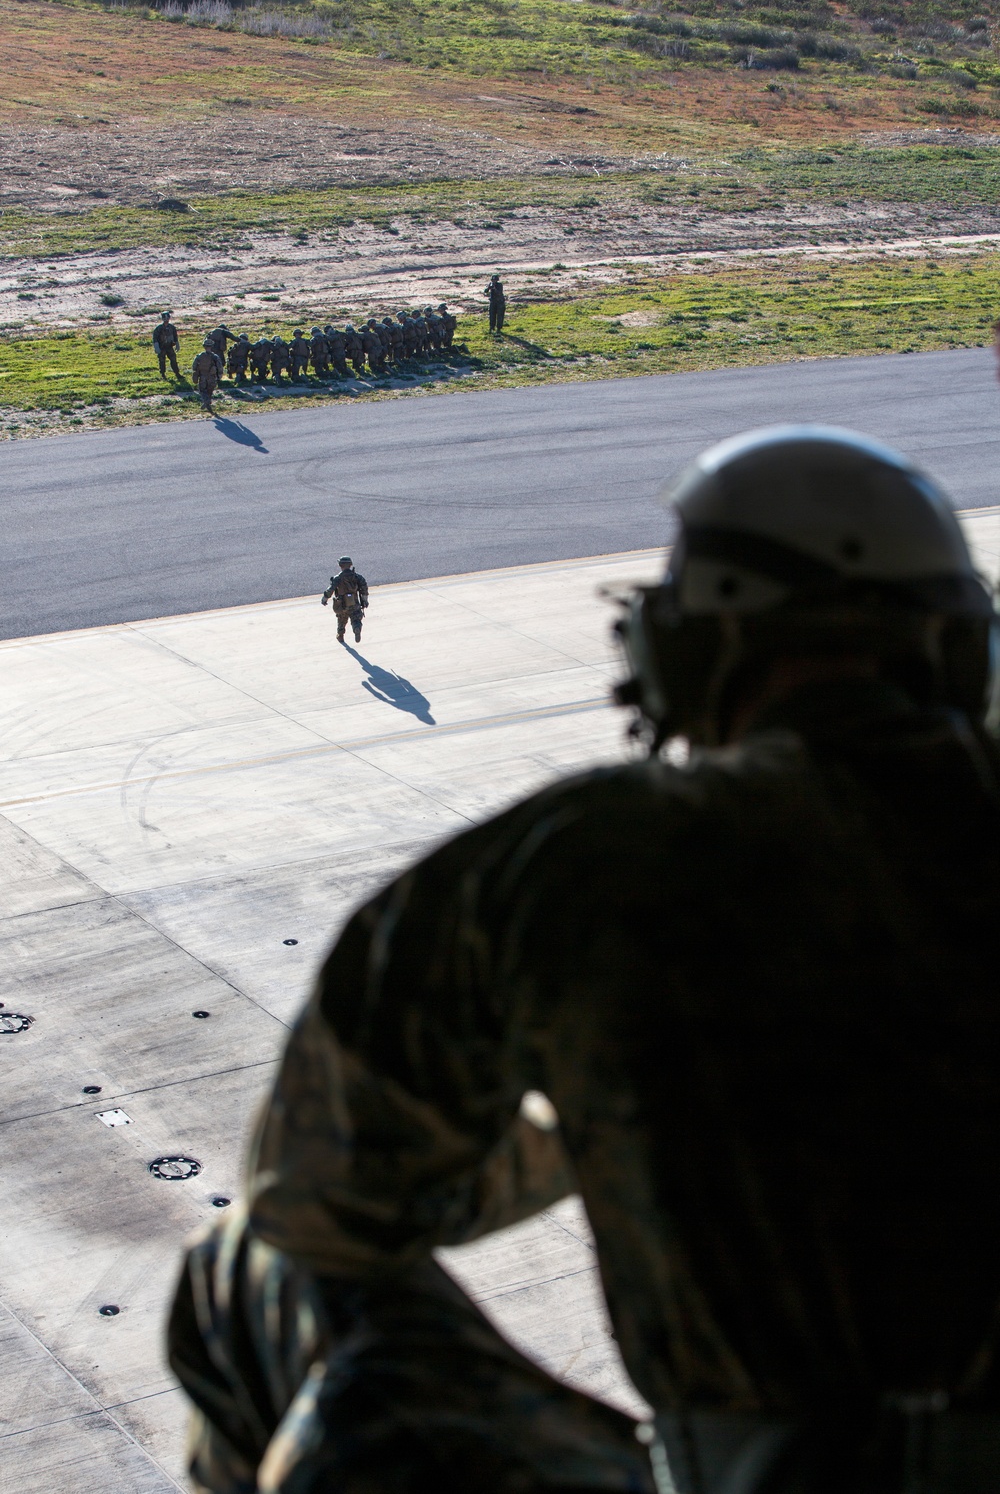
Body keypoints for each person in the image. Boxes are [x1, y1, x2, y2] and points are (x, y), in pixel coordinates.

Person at [168, 426, 1000, 1494]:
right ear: (957, 649)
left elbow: (317, 1200)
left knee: (251, 1278)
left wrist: (602, 1098)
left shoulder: (584, 864)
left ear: (682, 655)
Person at [320, 555, 369, 643]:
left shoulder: (337, 578)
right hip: (354, 603)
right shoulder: (357, 577)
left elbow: (330, 590)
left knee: (341, 620)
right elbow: (364, 588)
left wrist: (324, 599)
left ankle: (340, 635)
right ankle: (356, 628)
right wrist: (365, 600)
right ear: (350, 565)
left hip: (342, 604)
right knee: (356, 619)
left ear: (340, 565)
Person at [191, 338, 222, 412]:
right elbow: (219, 367)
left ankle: (206, 401)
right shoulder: (215, 357)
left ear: (204, 346)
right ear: (212, 346)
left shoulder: (199, 356)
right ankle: (208, 402)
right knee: (210, 390)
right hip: (212, 376)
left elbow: (194, 366)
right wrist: (219, 375)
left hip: (202, 376)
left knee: (202, 390)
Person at [152, 310, 180, 378]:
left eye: (167, 318)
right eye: (165, 318)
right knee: (162, 361)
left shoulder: (172, 327)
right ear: (162, 319)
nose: (166, 320)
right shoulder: (159, 328)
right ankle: (163, 374)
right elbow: (155, 338)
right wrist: (156, 347)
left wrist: (177, 344)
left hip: (169, 346)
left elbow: (175, 336)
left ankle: (177, 373)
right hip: (162, 347)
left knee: (173, 360)